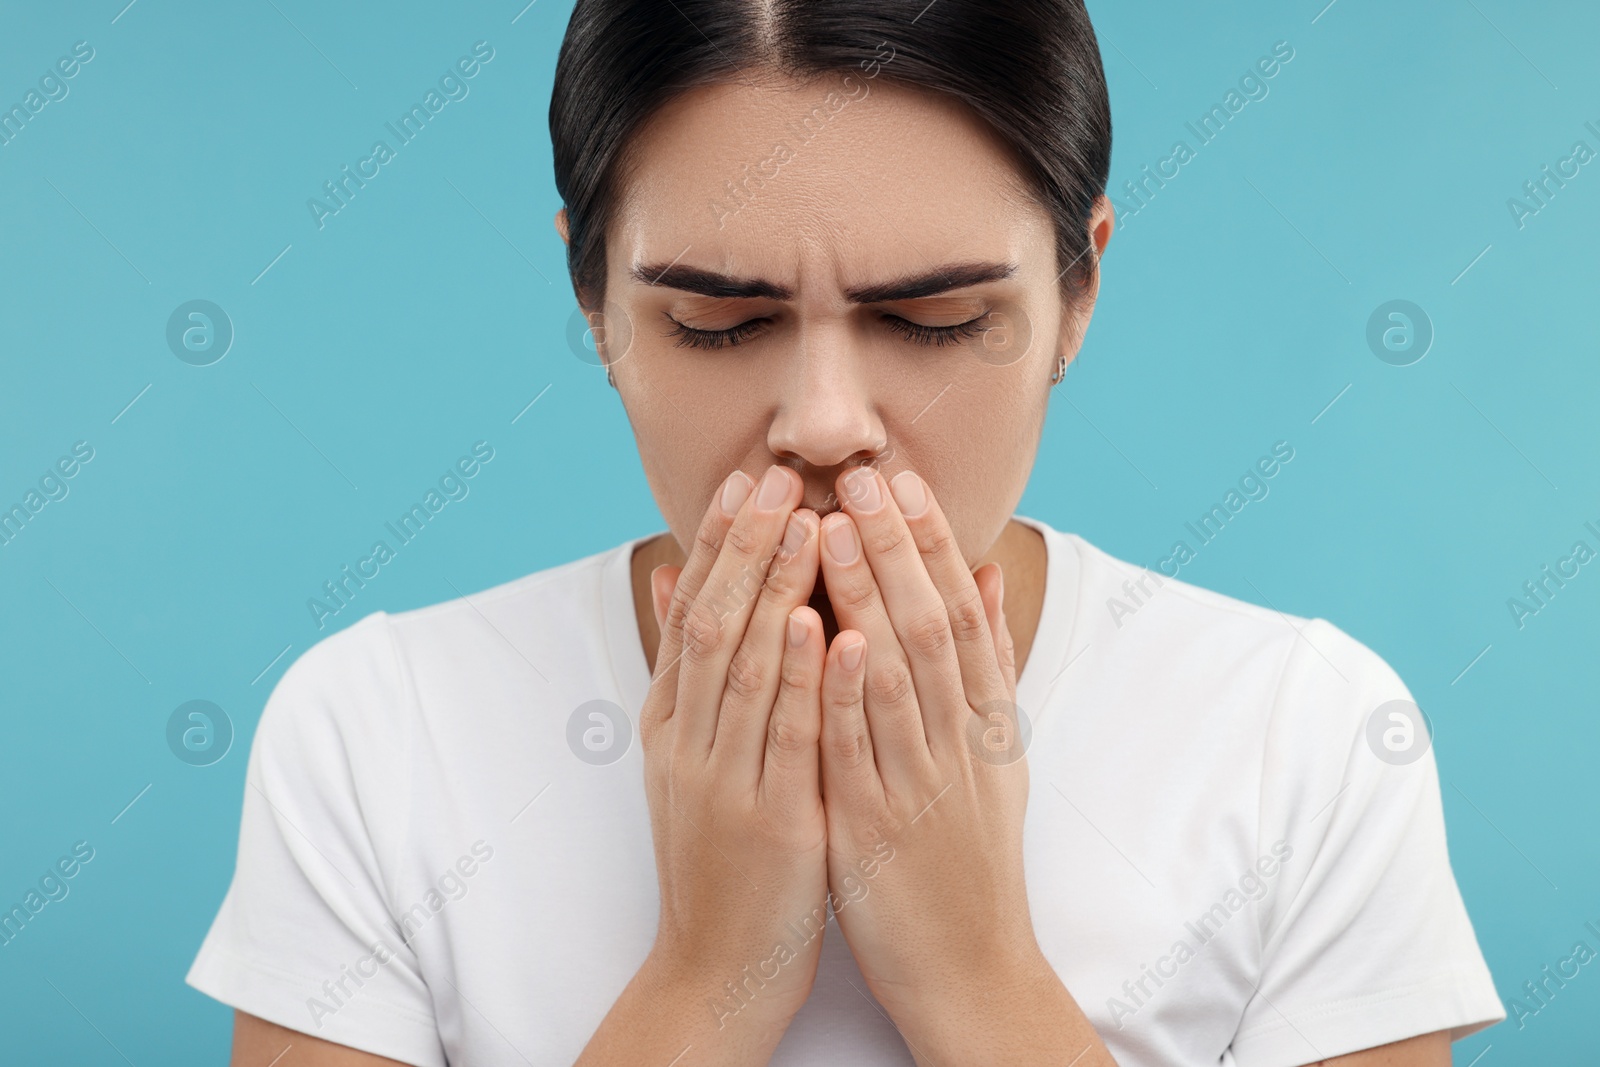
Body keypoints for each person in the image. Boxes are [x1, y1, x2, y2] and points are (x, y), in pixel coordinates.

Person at [188, 1, 1504, 1063]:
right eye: (718, 323)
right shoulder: (374, 729)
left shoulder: (1312, 736)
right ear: (593, 301)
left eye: (934, 323)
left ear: (1079, 289)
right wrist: (706, 976)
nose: (823, 424)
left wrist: (977, 974)